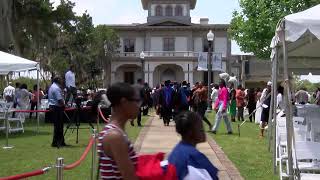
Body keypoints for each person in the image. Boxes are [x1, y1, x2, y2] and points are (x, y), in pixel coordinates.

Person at [97, 82, 140, 180]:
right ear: (124, 102)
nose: (139, 106)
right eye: (136, 101)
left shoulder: (115, 132)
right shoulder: (115, 136)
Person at [169, 111, 218, 180]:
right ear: (190, 132)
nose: (203, 130)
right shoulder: (194, 157)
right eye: (200, 127)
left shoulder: (178, 150)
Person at [49, 77, 67, 148]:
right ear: (58, 80)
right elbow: (59, 100)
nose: (62, 80)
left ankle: (60, 142)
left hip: (53, 107)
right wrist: (64, 105)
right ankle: (56, 142)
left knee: (58, 126)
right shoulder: (56, 88)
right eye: (61, 79)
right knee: (58, 126)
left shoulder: (52, 87)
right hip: (57, 108)